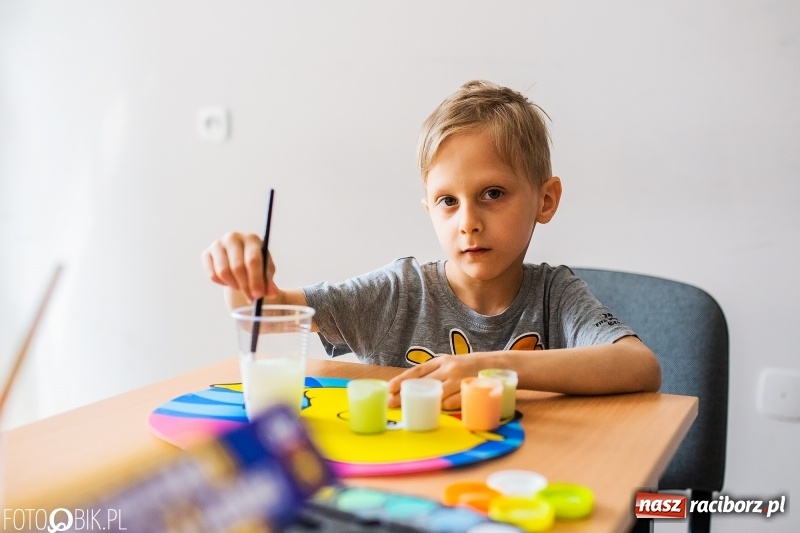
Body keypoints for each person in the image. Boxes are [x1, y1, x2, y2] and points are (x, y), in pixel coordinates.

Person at [202, 80, 661, 410]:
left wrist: (491, 367)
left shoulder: (553, 295)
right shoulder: (398, 293)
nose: (469, 223)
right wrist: (243, 273)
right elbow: (266, 315)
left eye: (493, 194)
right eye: (448, 201)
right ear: (429, 210)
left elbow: (639, 366)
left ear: (545, 199)